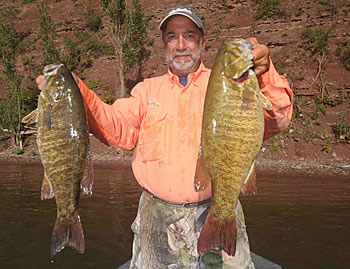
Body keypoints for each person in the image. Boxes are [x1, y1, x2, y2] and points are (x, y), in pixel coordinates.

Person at [37, 5, 293, 269]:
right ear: (164, 44)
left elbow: (278, 118)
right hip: (156, 221)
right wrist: (75, 89)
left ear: (202, 42)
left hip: (217, 207)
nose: (181, 44)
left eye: (189, 35)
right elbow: (115, 128)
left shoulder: (227, 81)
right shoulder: (146, 91)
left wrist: (264, 74)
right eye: (172, 36)